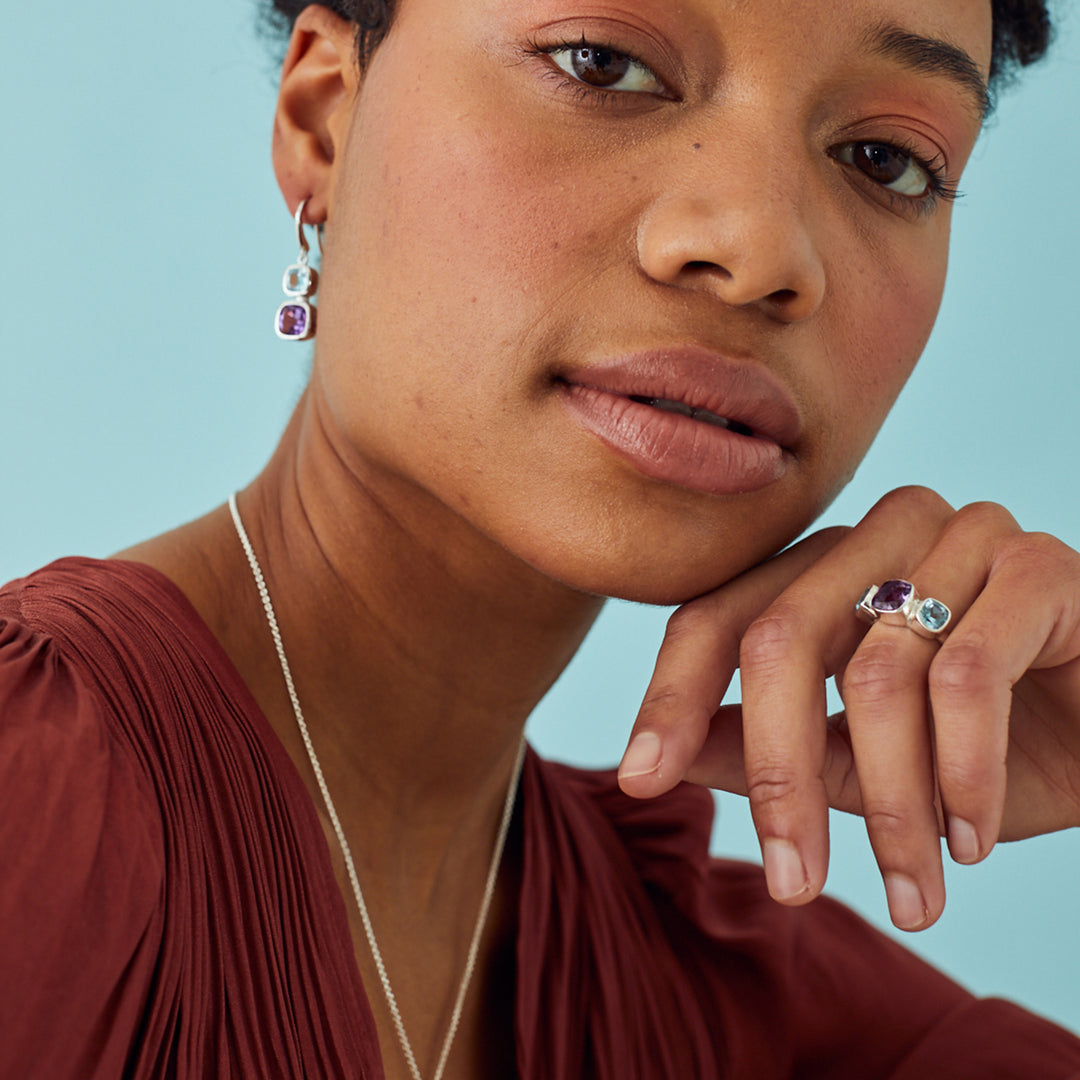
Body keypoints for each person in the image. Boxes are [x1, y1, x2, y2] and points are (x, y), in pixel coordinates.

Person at [2, 0, 1079, 1077]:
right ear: (325, 118)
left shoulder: (737, 1003)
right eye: (602, 65)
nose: (758, 253)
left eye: (887, 159)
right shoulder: (30, 797)